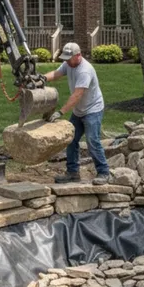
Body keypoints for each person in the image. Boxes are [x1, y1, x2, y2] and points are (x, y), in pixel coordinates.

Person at [43, 42, 110, 185]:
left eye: (69, 58)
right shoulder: (69, 63)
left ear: (78, 55)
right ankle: (73, 173)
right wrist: (42, 79)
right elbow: (56, 73)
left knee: (93, 141)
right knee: (71, 140)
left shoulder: (85, 70)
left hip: (93, 110)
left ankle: (104, 172)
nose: (66, 61)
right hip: (79, 111)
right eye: (65, 58)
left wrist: (61, 112)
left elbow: (77, 95)